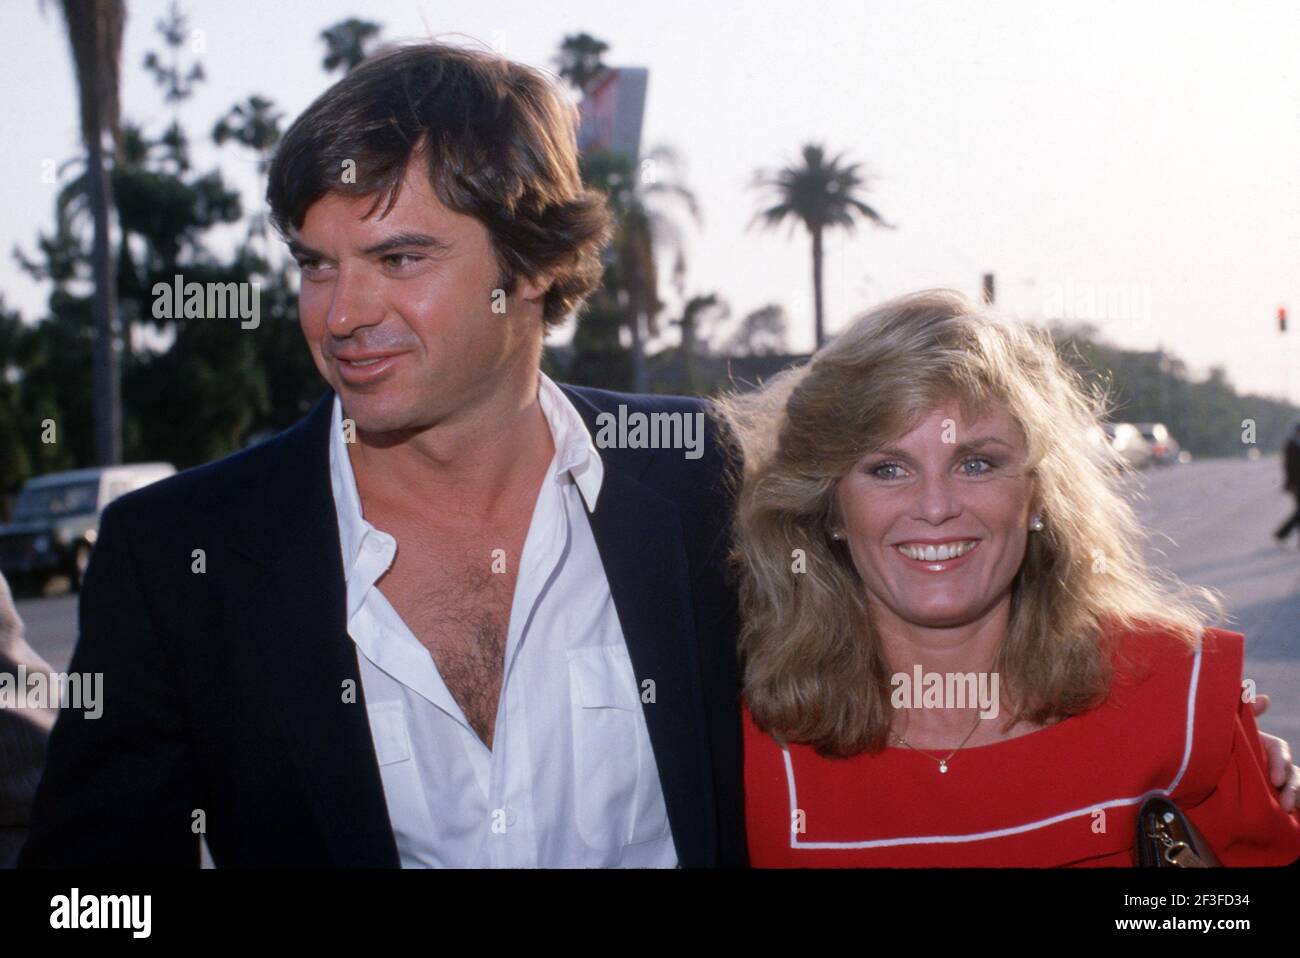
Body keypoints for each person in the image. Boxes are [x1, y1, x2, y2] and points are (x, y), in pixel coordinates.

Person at [19, 42, 744, 868]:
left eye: (399, 259)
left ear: (536, 261)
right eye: (315, 265)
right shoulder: (178, 555)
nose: (340, 315)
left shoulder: (701, 478)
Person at [719, 290, 1300, 866]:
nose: (936, 505)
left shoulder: (1182, 698)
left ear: (1038, 495)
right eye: (888, 468)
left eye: (976, 463)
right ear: (831, 509)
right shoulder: (740, 741)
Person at [1274, 422, 1300, 546]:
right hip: (1296, 483)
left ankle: (1282, 534)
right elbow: (1289, 467)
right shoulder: (1291, 445)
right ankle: (1282, 533)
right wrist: (1291, 483)